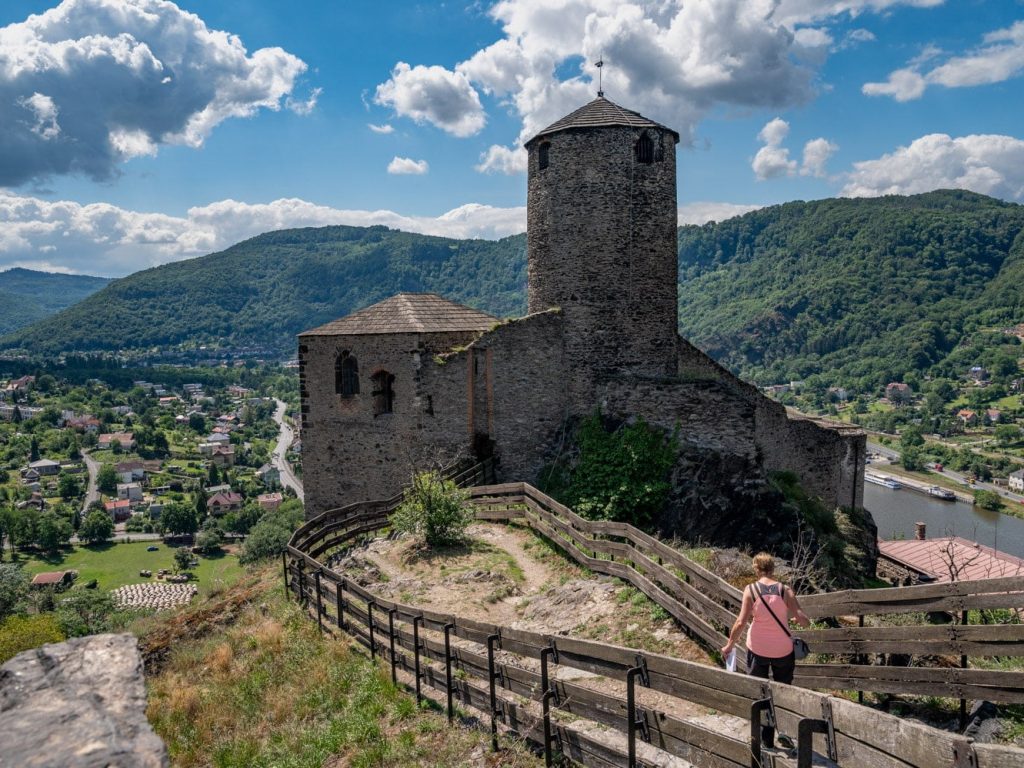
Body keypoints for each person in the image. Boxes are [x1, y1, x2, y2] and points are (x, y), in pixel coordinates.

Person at [721, 552, 810, 748]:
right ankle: (784, 732)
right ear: (772, 569)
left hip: (758, 648)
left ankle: (765, 740)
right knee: (783, 691)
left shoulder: (750, 590)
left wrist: (729, 645)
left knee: (759, 692)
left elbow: (741, 621)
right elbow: (804, 620)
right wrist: (797, 619)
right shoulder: (784, 590)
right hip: (782, 650)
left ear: (756, 569)